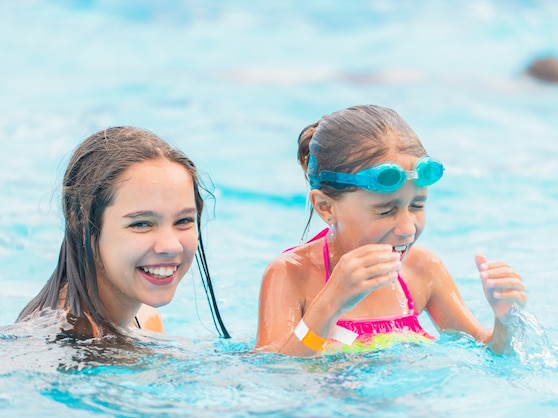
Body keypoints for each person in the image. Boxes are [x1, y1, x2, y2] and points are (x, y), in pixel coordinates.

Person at [255, 105, 526, 356]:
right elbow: (277, 372)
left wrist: (505, 321)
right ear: (326, 207)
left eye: (417, 205)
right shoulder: (291, 274)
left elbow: (486, 353)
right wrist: (331, 302)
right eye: (385, 211)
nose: (407, 229)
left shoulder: (423, 269)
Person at [16, 127, 229, 340]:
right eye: (142, 224)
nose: (171, 246)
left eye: (183, 221)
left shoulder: (144, 319)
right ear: (81, 224)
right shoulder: (66, 341)